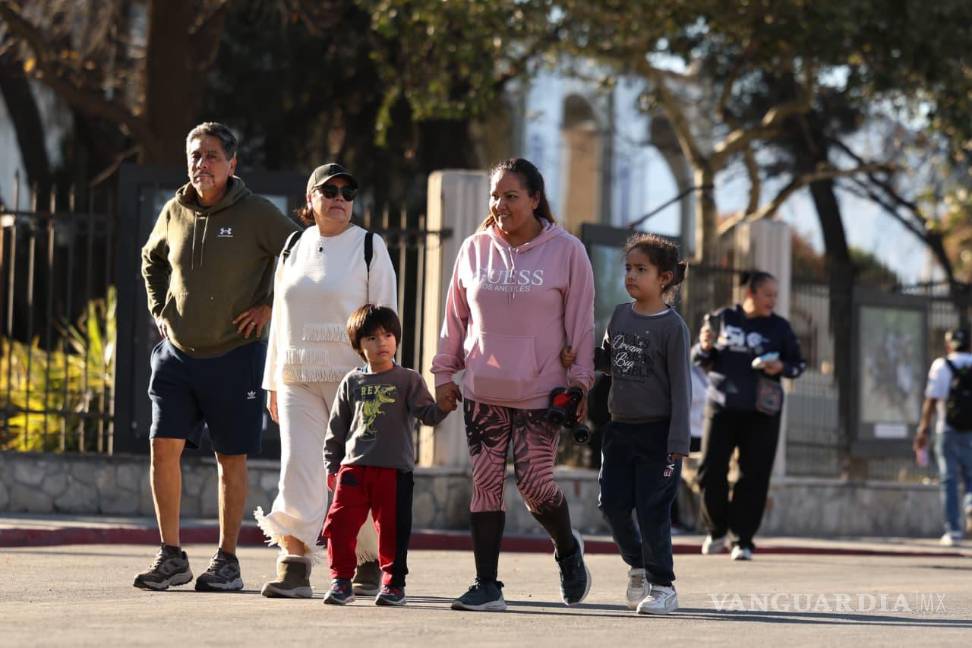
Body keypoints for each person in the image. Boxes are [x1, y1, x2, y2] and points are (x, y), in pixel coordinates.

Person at [136, 122, 300, 591]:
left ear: (232, 163)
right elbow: (150, 259)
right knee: (162, 448)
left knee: (230, 458)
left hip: (235, 356)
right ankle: (171, 556)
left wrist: (268, 306)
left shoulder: (257, 213)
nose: (201, 163)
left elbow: (300, 255)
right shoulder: (174, 210)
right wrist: (159, 308)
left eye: (211, 155)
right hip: (176, 356)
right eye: (195, 155)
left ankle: (227, 561)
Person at [432, 157, 596, 612]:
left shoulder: (567, 251)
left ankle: (567, 548)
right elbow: (454, 319)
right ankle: (487, 584)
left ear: (535, 199)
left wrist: (581, 384)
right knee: (485, 482)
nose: (500, 205)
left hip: (542, 391)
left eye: (511, 196)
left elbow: (582, 326)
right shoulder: (474, 248)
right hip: (483, 389)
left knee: (535, 485)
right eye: (495, 196)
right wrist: (444, 374)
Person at [255, 163, 397, 598]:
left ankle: (366, 558)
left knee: (355, 474)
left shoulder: (369, 247)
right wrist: (272, 381)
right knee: (298, 468)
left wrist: (384, 381)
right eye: (329, 190)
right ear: (310, 198)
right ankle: (294, 564)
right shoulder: (292, 246)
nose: (339, 198)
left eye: (347, 192)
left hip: (353, 382)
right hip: (296, 376)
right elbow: (280, 318)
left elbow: (386, 319)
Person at [321, 305, 453, 606]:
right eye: (372, 338)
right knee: (339, 526)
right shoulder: (351, 381)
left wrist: (444, 406)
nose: (381, 342)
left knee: (393, 531)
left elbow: (428, 415)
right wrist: (332, 466)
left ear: (396, 339)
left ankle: (393, 584)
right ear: (358, 346)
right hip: (353, 470)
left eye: (388, 335)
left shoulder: (408, 380)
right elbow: (336, 428)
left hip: (394, 472)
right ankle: (341, 581)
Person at [594, 234, 691, 615]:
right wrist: (583, 356)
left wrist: (678, 440)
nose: (631, 276)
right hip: (619, 430)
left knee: (653, 510)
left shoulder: (673, 327)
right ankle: (638, 564)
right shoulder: (620, 315)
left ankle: (663, 586)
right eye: (628, 268)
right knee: (611, 505)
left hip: (659, 435)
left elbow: (681, 387)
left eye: (641, 269)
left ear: (664, 278)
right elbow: (610, 362)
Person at [692, 270, 805, 561]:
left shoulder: (780, 327)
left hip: (761, 412)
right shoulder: (723, 318)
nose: (773, 300)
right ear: (750, 293)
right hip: (721, 406)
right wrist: (704, 346)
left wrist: (780, 367)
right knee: (710, 469)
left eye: (775, 295)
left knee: (754, 475)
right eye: (768, 294)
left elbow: (798, 364)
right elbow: (699, 358)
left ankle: (742, 539)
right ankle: (716, 530)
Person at [914, 327, 972, 546]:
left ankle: (954, 531)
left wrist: (922, 430)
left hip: (946, 429)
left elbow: (931, 400)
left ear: (949, 346)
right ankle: (970, 502)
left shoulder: (941, 365)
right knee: (971, 476)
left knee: (949, 479)